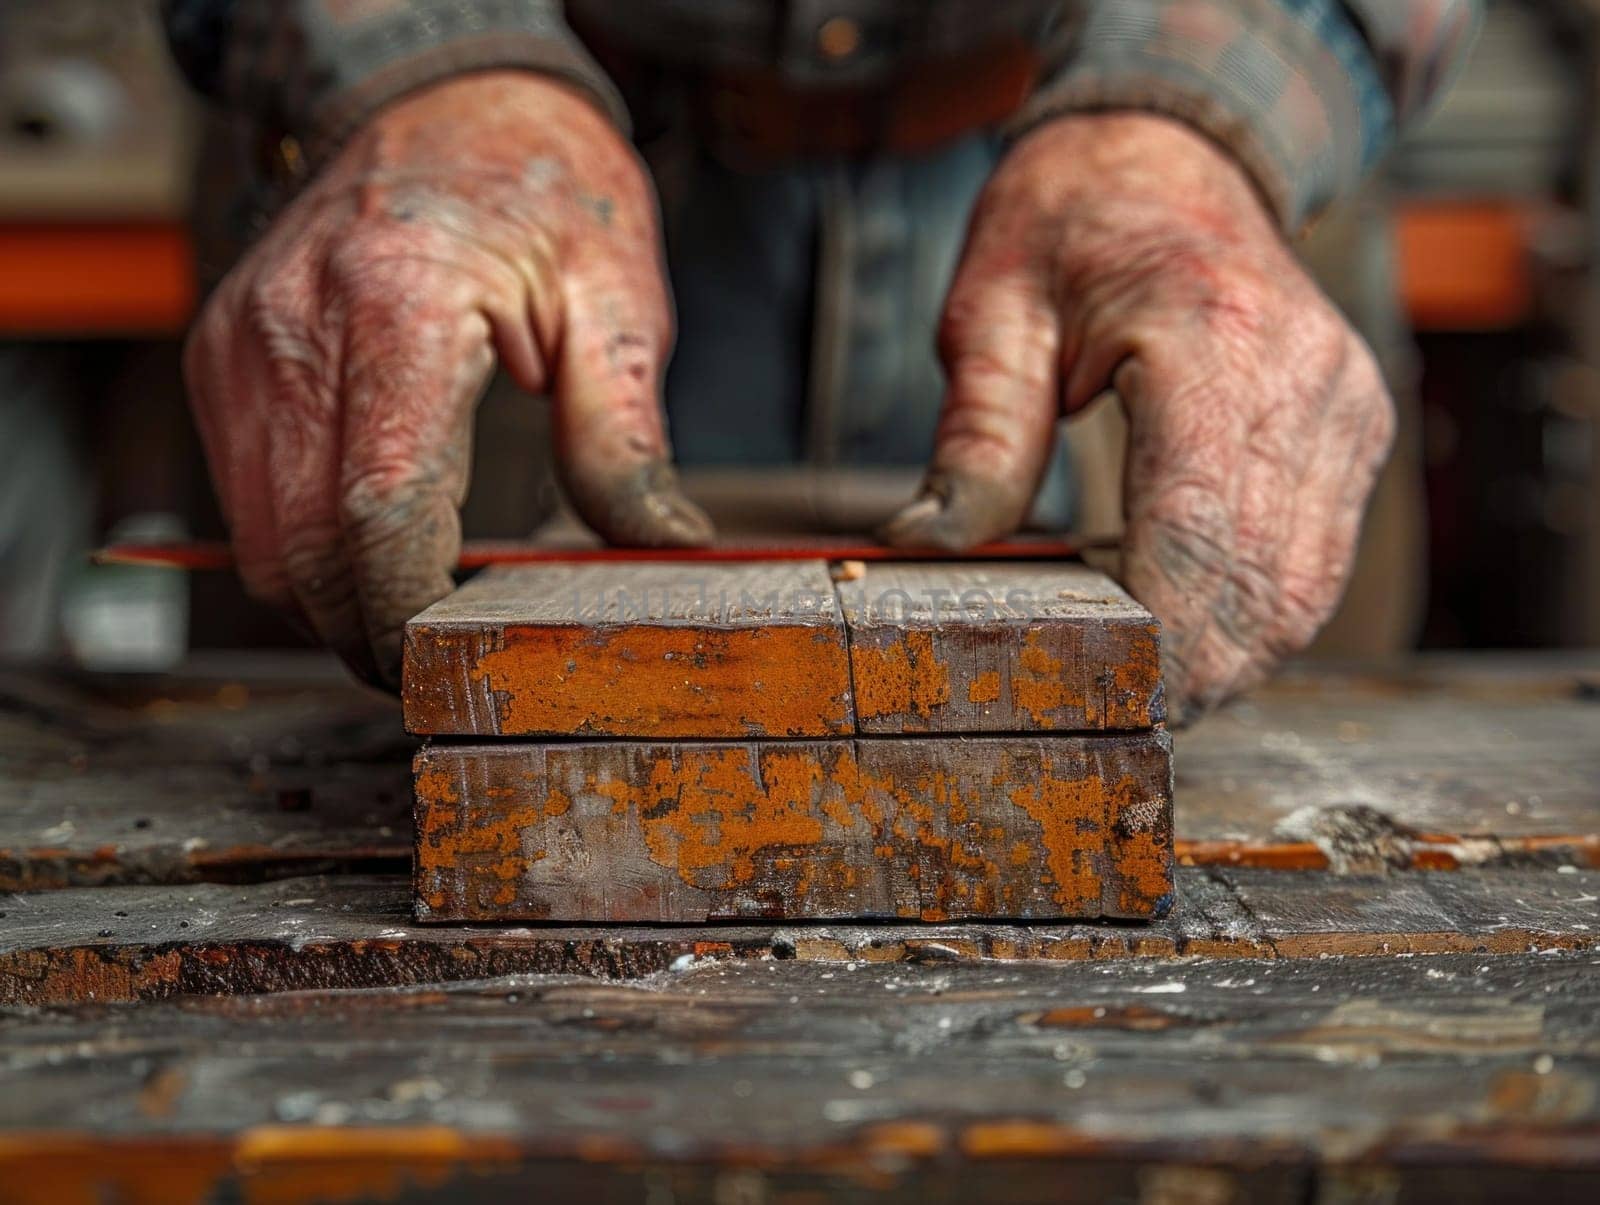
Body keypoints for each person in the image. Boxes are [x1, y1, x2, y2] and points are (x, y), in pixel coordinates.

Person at [160, 0, 1479, 717]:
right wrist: (406, 56)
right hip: (453, 202)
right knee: (345, 764)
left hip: (1192, 207)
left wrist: (1206, 113)